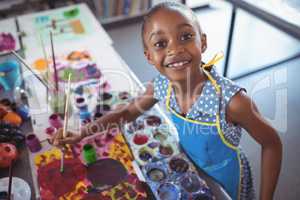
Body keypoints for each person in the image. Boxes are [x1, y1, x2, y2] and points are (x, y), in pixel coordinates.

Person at [52, 2, 282, 200]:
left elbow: (272, 143)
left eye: (186, 37)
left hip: (229, 177)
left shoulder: (232, 102)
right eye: (161, 44)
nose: (176, 49)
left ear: (202, 42)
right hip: (191, 166)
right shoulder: (161, 86)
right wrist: (82, 133)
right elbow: (127, 112)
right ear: (149, 56)